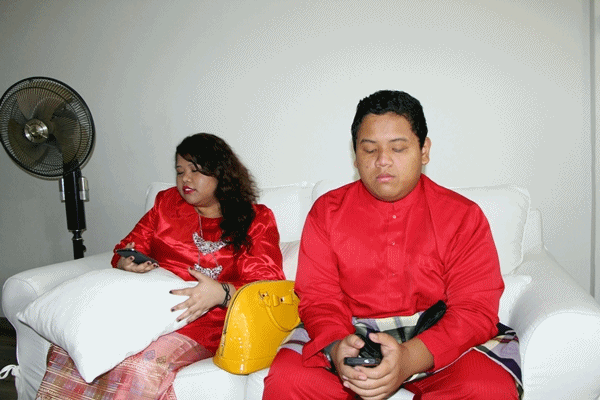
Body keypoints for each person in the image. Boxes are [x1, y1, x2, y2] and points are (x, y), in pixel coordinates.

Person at [263, 90, 522, 400]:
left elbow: (474, 309)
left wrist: (409, 358)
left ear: (424, 150)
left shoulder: (462, 216)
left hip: (437, 334)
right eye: (369, 149)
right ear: (355, 155)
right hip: (350, 332)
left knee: (486, 389)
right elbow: (319, 298)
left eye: (398, 148)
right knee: (289, 380)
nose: (382, 161)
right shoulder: (327, 212)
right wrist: (338, 347)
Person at [36, 133, 285, 400]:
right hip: (147, 309)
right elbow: (129, 246)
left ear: (221, 174)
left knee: (140, 366)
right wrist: (127, 261)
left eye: (195, 170)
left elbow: (267, 288)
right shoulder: (167, 203)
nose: (185, 179)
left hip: (207, 323)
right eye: (180, 171)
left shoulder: (255, 219)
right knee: (73, 348)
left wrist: (222, 293)